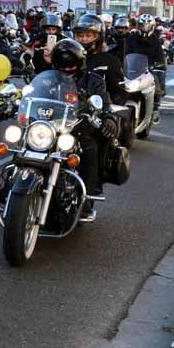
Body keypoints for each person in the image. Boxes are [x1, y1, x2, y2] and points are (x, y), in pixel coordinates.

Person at [50, 39, 117, 220]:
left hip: (78, 128)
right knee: (24, 143)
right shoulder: (48, 77)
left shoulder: (93, 80)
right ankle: (13, 182)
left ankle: (87, 197)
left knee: (89, 149)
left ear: (79, 64)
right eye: (62, 67)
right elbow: (32, 92)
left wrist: (109, 118)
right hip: (50, 127)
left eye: (70, 67)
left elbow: (105, 104)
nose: (66, 71)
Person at [74, 14, 126, 104]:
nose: (84, 39)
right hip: (70, 106)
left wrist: (106, 108)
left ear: (98, 37)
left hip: (97, 112)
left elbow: (118, 92)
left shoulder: (109, 60)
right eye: (80, 35)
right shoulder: (72, 58)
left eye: (88, 35)